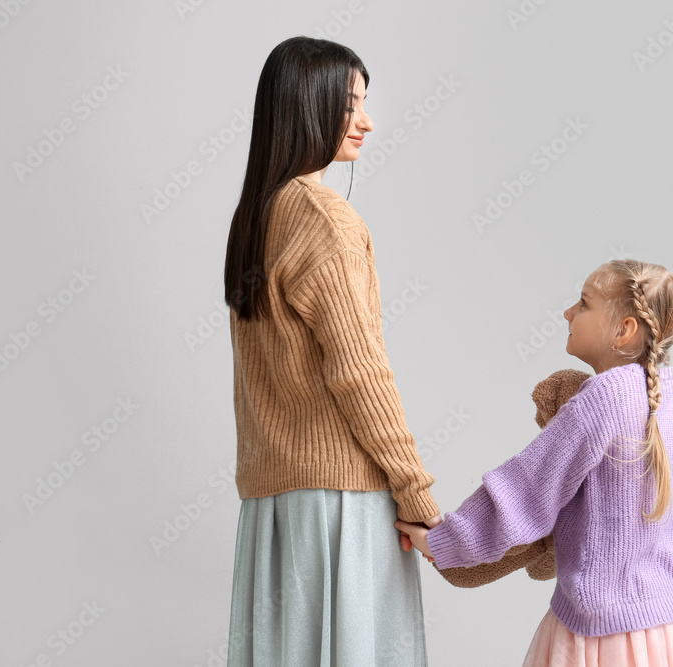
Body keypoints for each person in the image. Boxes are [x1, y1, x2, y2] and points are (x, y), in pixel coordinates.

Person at [222, 36, 441, 666]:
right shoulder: (323, 217)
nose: (367, 120)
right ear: (305, 107)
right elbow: (360, 372)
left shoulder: (258, 217)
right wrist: (416, 493)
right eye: (350, 104)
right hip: (340, 504)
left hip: (272, 507)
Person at [396, 259, 673, 666]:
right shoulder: (662, 395)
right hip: (667, 631)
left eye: (583, 303)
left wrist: (443, 541)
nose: (567, 313)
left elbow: (525, 491)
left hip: (600, 636)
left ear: (624, 330)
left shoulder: (604, 398)